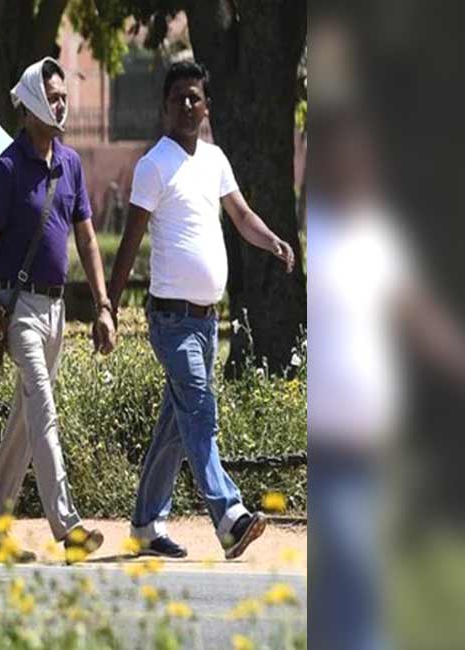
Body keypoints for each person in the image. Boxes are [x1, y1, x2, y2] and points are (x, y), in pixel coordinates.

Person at [106, 60, 296, 560]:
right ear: (165, 108)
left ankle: (146, 526)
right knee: (200, 411)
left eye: (196, 98)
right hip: (171, 319)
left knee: (177, 424)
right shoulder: (153, 165)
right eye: (179, 98)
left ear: (206, 107)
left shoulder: (214, 159)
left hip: (208, 320)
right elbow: (128, 243)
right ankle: (229, 516)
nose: (188, 106)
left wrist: (272, 240)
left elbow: (241, 215)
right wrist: (106, 306)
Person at [0, 58, 114, 563]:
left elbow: (86, 237)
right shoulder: (7, 167)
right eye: (54, 97)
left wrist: (104, 306)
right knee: (42, 409)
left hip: (58, 312)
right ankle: (68, 527)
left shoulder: (71, 164)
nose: (61, 103)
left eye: (65, 95)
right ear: (31, 103)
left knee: (23, 426)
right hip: (17, 310)